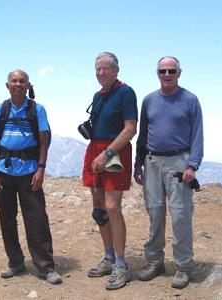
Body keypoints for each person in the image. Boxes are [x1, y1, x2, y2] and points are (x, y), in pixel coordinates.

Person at [134, 56, 204, 289]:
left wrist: (192, 165)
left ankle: (183, 266)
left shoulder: (190, 100)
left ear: (179, 73)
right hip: (152, 161)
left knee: (180, 215)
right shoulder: (149, 100)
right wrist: (138, 164)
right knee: (155, 214)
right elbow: (142, 135)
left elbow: (197, 135)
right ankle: (155, 262)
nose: (166, 75)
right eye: (162, 71)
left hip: (179, 162)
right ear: (157, 73)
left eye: (171, 70)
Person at [0, 69, 62, 285]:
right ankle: (15, 262)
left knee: (37, 219)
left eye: (22, 81)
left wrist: (41, 169)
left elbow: (43, 141)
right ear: (7, 85)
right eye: (14, 81)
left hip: (30, 172)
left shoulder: (37, 110)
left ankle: (45, 267)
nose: (18, 84)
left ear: (28, 85)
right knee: (7, 218)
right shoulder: (0, 109)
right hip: (4, 172)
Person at [82, 52, 138, 290]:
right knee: (99, 210)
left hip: (114, 152)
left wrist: (107, 154)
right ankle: (108, 257)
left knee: (113, 207)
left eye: (105, 69)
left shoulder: (126, 92)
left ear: (116, 70)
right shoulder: (98, 95)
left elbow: (130, 129)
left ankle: (121, 264)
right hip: (96, 148)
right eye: (97, 70)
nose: (101, 73)